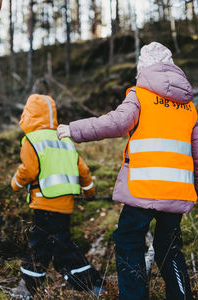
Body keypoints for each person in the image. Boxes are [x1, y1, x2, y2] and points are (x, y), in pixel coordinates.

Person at [57, 42, 198, 300]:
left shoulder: (139, 94)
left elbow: (118, 122)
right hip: (178, 190)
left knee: (128, 241)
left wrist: (74, 129)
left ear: (142, 67)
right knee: (170, 247)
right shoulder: (189, 106)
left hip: (143, 187)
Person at [10, 94, 104, 299]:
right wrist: (89, 192)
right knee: (60, 243)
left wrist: (15, 183)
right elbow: (83, 170)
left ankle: (27, 288)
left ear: (29, 114)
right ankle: (91, 283)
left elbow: (28, 170)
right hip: (65, 205)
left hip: (45, 203)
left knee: (41, 246)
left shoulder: (31, 140)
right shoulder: (64, 139)